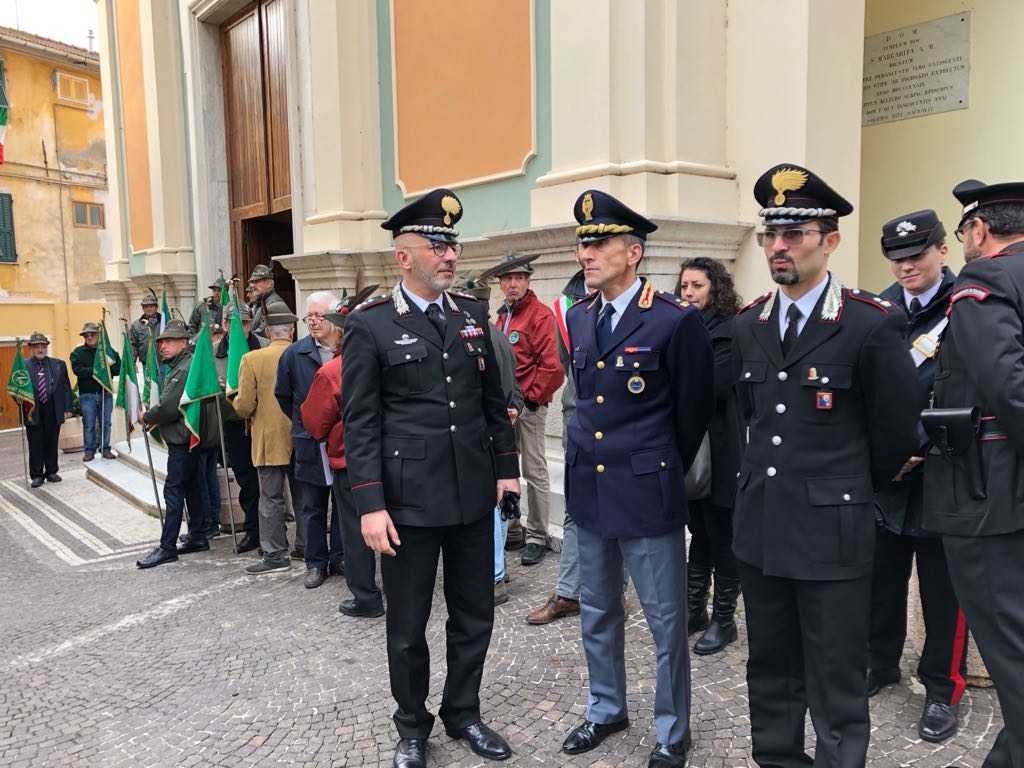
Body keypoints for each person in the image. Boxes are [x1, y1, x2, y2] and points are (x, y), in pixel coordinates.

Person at [732, 164, 919, 767]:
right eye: (771, 235)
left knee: (837, 674)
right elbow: (750, 418)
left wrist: (843, 491)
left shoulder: (869, 323)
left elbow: (894, 435)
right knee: (770, 667)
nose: (779, 247)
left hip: (833, 532)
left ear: (830, 240)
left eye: (796, 233)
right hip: (762, 528)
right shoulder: (748, 325)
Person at [342, 188, 520, 768]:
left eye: (452, 244)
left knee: (475, 614)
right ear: (404, 257)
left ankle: (463, 711)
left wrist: (506, 471)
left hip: (471, 495)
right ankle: (412, 726)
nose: (449, 255)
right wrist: (370, 504)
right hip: (407, 503)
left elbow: (494, 403)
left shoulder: (470, 316)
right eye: (437, 245)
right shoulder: (369, 327)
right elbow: (360, 423)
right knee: (409, 623)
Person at [561, 190, 713, 768]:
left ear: (634, 252)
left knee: (665, 620)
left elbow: (693, 412)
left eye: (598, 243)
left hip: (647, 491)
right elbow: (581, 403)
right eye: (583, 243)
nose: (586, 253)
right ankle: (606, 708)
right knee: (598, 610)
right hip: (591, 490)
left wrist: (655, 463)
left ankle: (673, 730)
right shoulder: (578, 317)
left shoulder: (675, 320)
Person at [924, 178, 1024, 768]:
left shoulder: (985, 278)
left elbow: (1009, 389)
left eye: (963, 231)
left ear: (979, 229)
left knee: (1010, 647)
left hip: (991, 496)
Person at [869, 209, 965, 743]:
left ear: (942, 252)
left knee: (943, 591)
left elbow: (969, 390)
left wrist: (919, 449)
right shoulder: (880, 309)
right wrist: (888, 453)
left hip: (943, 472)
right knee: (880, 580)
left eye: (917, 256)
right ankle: (879, 662)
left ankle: (941, 687)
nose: (906, 267)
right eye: (897, 259)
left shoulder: (967, 307)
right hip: (887, 475)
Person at [301, 296, 386, 617]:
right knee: (395, 526)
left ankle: (367, 597)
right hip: (392, 457)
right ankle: (399, 589)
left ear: (342, 333)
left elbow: (314, 420)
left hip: (351, 463)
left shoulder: (334, 370)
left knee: (355, 532)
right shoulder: (386, 361)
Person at [675, 257, 743, 656]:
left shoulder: (728, 330)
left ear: (715, 289)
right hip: (693, 450)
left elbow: (712, 387)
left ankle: (724, 618)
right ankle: (694, 608)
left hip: (721, 451)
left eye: (697, 286)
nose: (688, 294)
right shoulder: (686, 328)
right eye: (684, 286)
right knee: (698, 531)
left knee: (723, 535)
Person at [452, 270, 523, 606]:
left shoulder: (477, 339)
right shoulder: (498, 336)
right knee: (498, 501)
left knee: (491, 505)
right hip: (497, 428)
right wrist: (514, 409)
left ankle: (494, 576)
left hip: (484, 433)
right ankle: (498, 568)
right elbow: (516, 387)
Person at [526, 268, 590, 624]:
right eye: (585, 246)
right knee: (575, 509)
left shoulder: (644, 309)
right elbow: (565, 369)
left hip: (621, 429)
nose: (589, 254)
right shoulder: (567, 306)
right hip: (577, 423)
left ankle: (615, 592)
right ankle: (567, 593)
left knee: (621, 509)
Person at [494, 252, 564, 565]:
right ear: (500, 283)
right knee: (506, 469)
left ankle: (537, 534)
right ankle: (513, 528)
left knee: (534, 472)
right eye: (507, 278)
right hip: (505, 407)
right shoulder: (502, 316)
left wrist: (530, 400)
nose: (513, 283)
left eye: (518, 278)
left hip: (529, 407)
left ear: (528, 280)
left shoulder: (540, 315)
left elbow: (553, 367)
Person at [275, 291, 345, 588]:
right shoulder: (294, 353)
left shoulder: (348, 351)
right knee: (313, 505)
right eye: (309, 317)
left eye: (319, 316)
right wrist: (307, 421)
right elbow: (283, 395)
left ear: (333, 318)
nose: (314, 322)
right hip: (308, 441)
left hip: (342, 442)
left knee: (343, 504)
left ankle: (340, 556)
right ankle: (315, 562)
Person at [230, 303, 299, 574]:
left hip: (268, 438)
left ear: (268, 332)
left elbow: (245, 405)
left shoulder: (252, 359)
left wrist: (233, 400)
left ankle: (275, 554)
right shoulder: (304, 353)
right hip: (301, 436)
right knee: (304, 497)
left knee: (270, 498)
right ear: (291, 331)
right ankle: (306, 547)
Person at [136, 320, 210, 568]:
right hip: (188, 438)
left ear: (184, 342)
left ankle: (167, 546)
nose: (162, 346)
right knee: (192, 488)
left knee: (175, 490)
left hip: (182, 439)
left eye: (168, 341)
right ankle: (198, 535)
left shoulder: (182, 369)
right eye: (161, 342)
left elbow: (169, 407)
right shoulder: (181, 365)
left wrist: (147, 416)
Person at [214, 303, 267, 553]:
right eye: (234, 324)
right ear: (225, 325)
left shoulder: (265, 347)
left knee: (269, 480)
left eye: (245, 324)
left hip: (263, 422)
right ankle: (253, 531)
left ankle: (273, 533)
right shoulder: (213, 354)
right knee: (246, 480)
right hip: (234, 425)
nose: (240, 328)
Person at [22, 332, 73, 488]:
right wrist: (18, 399)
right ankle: (36, 475)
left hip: (53, 407)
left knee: (52, 440)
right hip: (32, 409)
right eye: (36, 347)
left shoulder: (59, 364)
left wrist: (68, 408)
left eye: (43, 346)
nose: (40, 350)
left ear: (46, 348)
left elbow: (66, 388)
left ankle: (51, 471)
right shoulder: (23, 366)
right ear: (31, 348)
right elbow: (17, 388)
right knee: (35, 442)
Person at [70, 322, 121, 462]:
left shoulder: (107, 351)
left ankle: (105, 449)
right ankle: (89, 451)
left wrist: (103, 370)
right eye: (87, 335)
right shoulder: (77, 353)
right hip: (87, 394)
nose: (90, 337)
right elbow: (78, 371)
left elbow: (118, 368)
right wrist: (98, 370)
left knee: (106, 422)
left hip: (106, 392)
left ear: (99, 335)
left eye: (93, 334)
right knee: (89, 423)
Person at [248, 264, 285, 339]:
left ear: (269, 284)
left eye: (257, 281)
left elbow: (262, 334)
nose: (253, 286)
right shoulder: (259, 302)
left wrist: (243, 338)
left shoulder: (274, 305)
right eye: (252, 282)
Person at [128, 291, 162, 366]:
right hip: (147, 364)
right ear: (143, 308)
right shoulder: (136, 325)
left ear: (156, 307)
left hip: (163, 362)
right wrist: (132, 362)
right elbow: (133, 345)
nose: (149, 309)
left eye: (151, 306)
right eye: (146, 307)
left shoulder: (165, 322)